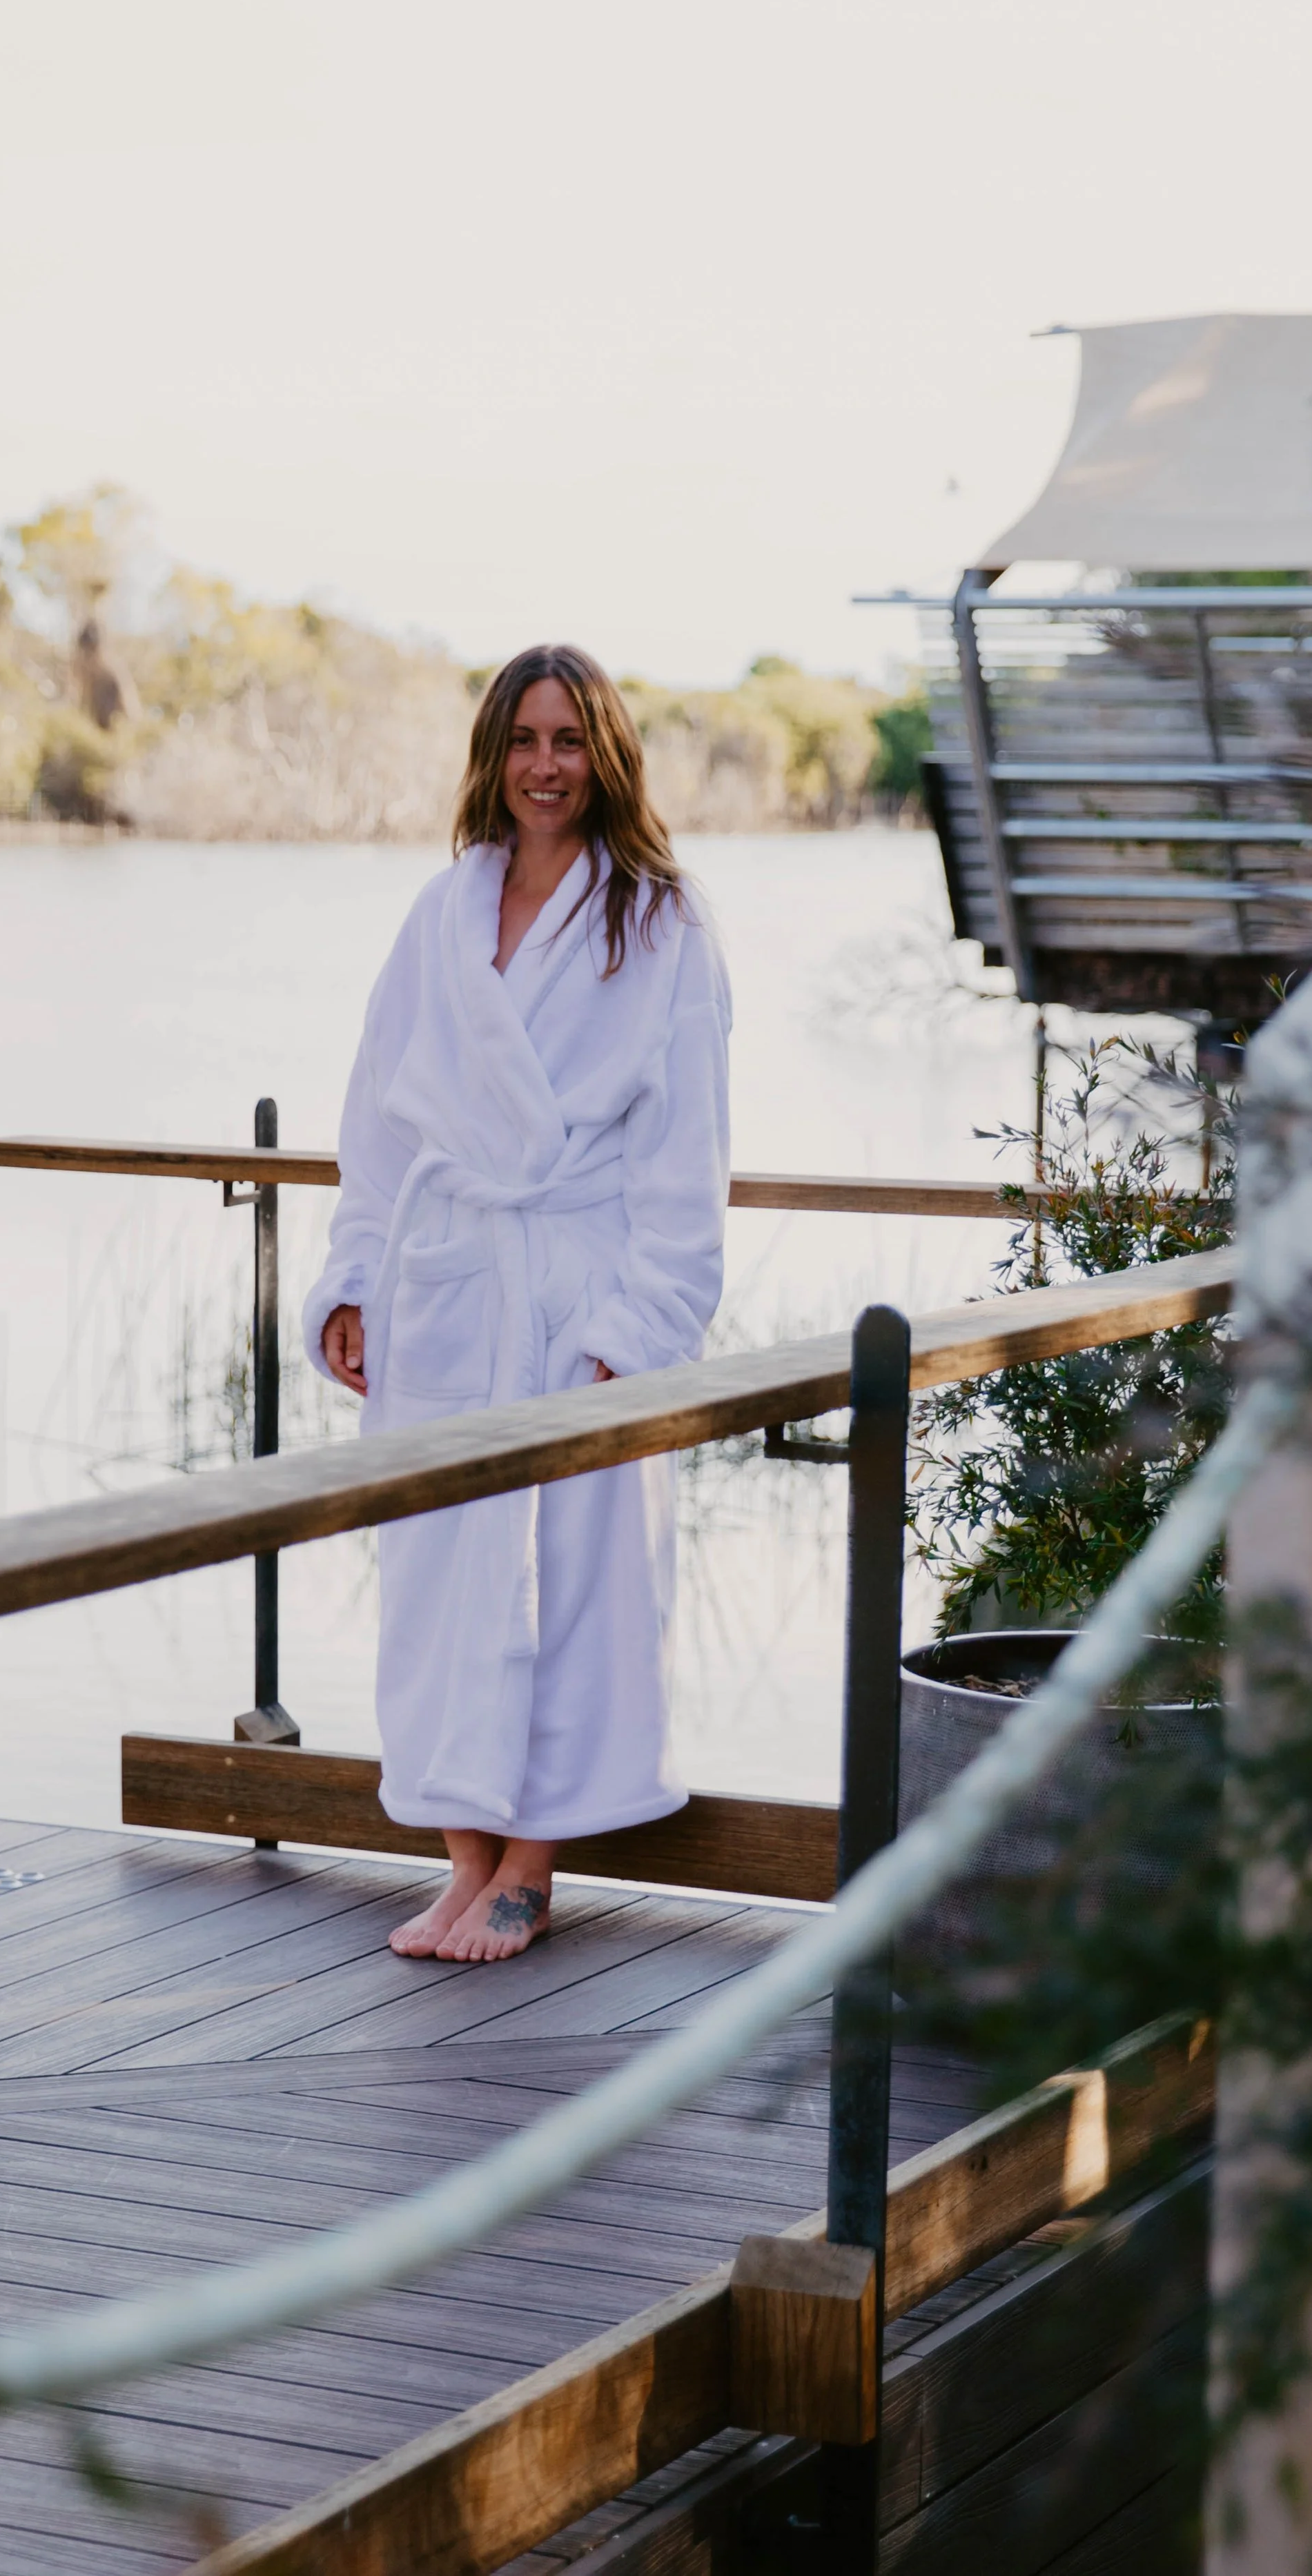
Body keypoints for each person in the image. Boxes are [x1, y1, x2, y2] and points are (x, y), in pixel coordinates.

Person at [305, 643, 732, 1962]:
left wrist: (635, 1329)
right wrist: (355, 1281)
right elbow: (380, 1122)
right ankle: (462, 1856)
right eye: (525, 740)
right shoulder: (442, 914)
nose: (547, 766)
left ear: (608, 755)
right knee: (438, 1576)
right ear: (493, 756)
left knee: (575, 1586)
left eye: (570, 739)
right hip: (447, 1287)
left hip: (576, 1293)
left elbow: (685, 1155)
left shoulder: (659, 921)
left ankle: (531, 1865)